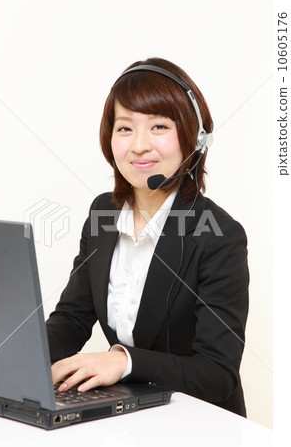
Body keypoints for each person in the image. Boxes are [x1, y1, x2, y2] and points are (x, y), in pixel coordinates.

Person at [46, 57, 249, 417]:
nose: (139, 145)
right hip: (128, 415)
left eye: (158, 126)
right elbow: (72, 319)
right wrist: (9, 359)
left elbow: (218, 374)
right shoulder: (103, 214)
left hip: (198, 423)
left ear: (195, 139)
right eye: (125, 128)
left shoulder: (220, 235)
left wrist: (123, 362)